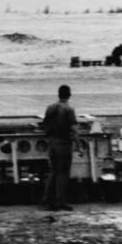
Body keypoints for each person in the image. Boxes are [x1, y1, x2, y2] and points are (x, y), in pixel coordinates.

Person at [41, 84, 78, 212]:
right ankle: (59, 201)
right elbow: (74, 129)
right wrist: (78, 145)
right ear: (69, 95)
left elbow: (44, 125)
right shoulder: (69, 110)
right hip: (64, 142)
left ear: (58, 94)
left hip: (52, 142)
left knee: (53, 172)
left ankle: (46, 200)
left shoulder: (50, 108)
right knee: (63, 173)